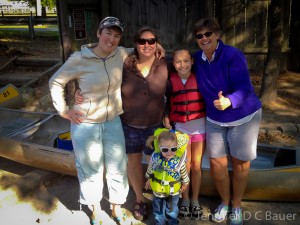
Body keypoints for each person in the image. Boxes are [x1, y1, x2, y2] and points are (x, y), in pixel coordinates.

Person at [74, 26, 168, 221]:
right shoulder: (124, 62)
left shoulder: (164, 63)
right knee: (132, 162)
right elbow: (100, 74)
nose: (147, 45)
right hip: (129, 123)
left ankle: (159, 199)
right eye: (142, 41)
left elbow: (184, 70)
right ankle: (140, 200)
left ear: (157, 42)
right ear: (135, 44)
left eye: (152, 41)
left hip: (155, 125)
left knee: (156, 164)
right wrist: (79, 91)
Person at [49, 16, 132, 225]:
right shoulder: (80, 58)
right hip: (85, 124)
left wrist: (156, 46)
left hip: (113, 120)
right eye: (108, 33)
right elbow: (55, 82)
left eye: (116, 35)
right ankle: (94, 209)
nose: (111, 39)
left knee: (118, 166)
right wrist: (64, 110)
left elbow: (142, 49)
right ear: (98, 33)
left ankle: (116, 207)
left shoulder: (120, 53)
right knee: (90, 168)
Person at [192, 18, 262, 225]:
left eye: (208, 34)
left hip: (244, 115)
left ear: (217, 35)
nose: (204, 38)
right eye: (199, 36)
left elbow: (244, 86)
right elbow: (179, 62)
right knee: (216, 164)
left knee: (240, 163)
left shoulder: (232, 54)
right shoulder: (197, 58)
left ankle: (237, 206)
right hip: (215, 118)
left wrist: (230, 100)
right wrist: (158, 49)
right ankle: (224, 202)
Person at [163, 48, 206, 220]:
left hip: (199, 127)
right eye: (178, 61)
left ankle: (195, 200)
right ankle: (185, 199)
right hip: (180, 128)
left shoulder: (200, 78)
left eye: (186, 61)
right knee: (185, 165)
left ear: (192, 61)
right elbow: (167, 101)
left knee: (196, 165)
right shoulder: (170, 81)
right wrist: (166, 115)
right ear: (173, 64)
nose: (183, 65)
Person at [144, 128, 190, 225]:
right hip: (158, 190)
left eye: (173, 149)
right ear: (160, 147)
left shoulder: (178, 162)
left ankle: (172, 222)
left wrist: (185, 183)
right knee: (158, 208)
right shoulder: (156, 159)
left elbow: (184, 173)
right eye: (165, 150)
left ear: (176, 147)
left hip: (173, 191)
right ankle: (159, 222)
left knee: (172, 209)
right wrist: (148, 179)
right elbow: (150, 169)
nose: (169, 152)